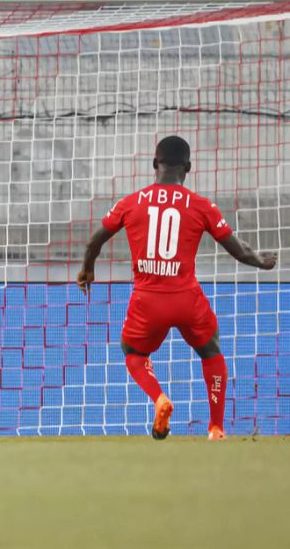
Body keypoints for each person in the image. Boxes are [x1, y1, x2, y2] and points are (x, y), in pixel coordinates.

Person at [77, 135, 276, 441]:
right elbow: (238, 251)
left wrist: (87, 269)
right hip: (186, 298)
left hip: (147, 299)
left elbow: (94, 241)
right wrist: (262, 262)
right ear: (189, 168)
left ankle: (159, 398)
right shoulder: (201, 206)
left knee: (133, 351)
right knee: (211, 351)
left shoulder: (131, 203)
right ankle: (216, 428)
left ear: (155, 164)